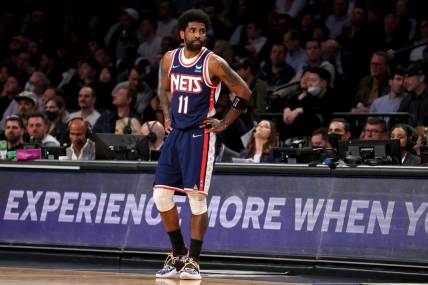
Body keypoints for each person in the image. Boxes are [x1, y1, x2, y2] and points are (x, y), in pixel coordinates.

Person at [153, 9, 251, 280]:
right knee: (161, 196)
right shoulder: (170, 58)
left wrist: (224, 123)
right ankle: (177, 255)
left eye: (202, 31)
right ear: (182, 33)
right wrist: (166, 113)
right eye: (193, 31)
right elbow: (163, 89)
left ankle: (194, 261)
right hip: (175, 135)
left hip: (200, 135)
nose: (198, 35)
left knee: (196, 200)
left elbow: (244, 92)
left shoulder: (214, 62)